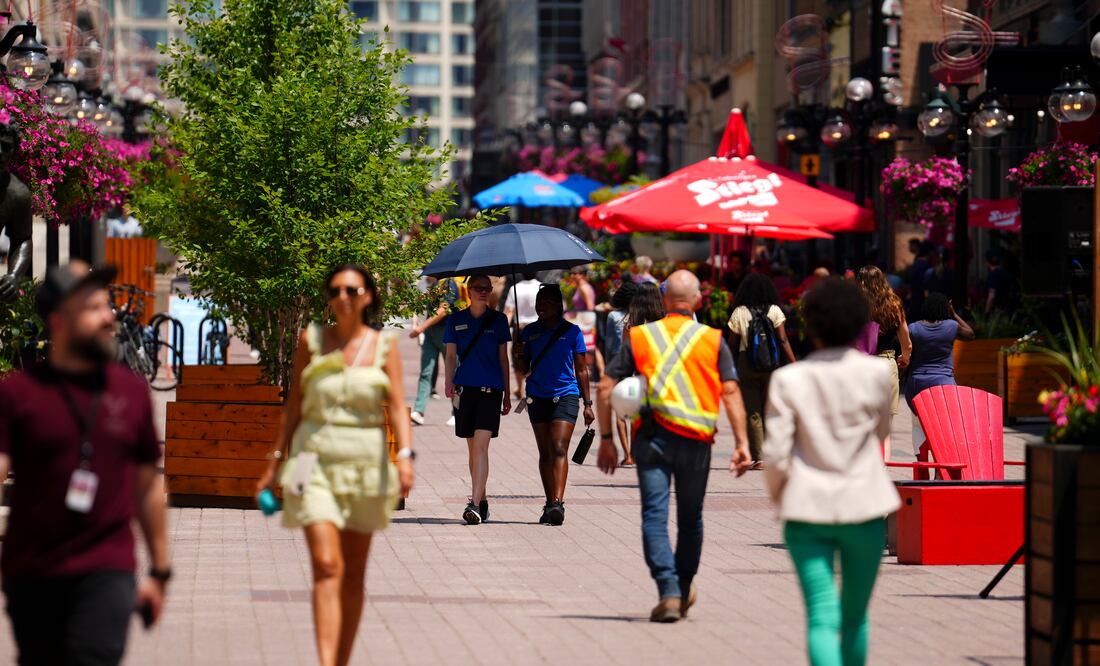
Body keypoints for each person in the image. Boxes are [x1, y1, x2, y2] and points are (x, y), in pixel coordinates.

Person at [0, 261, 170, 665]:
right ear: (59, 320)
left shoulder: (130, 392)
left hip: (107, 570)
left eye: (106, 306)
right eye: (93, 308)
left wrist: (160, 572)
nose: (109, 317)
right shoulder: (20, 394)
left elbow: (148, 488)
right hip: (32, 573)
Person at [256, 265, 415, 666]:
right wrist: (276, 460)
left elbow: (397, 405)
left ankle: (340, 660)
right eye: (334, 289)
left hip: (366, 465)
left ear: (368, 296)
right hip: (314, 464)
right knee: (327, 565)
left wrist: (407, 457)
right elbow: (293, 404)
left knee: (355, 572)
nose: (342, 296)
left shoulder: (384, 346)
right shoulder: (311, 341)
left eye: (351, 289)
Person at [597, 270, 751, 623]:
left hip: (651, 438)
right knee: (690, 517)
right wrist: (742, 444)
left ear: (666, 302)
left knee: (654, 514)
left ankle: (668, 589)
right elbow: (730, 391)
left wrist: (607, 440)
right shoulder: (712, 339)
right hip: (697, 442)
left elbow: (606, 387)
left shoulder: (641, 337)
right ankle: (682, 587)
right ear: (697, 301)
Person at [763, 277, 901, 666]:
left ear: (812, 326)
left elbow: (775, 454)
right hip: (865, 506)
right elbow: (881, 432)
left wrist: (779, 496)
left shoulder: (789, 379)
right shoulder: (876, 374)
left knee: (822, 615)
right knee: (855, 616)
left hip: (806, 508)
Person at [513, 284, 594, 525]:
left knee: (559, 447)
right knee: (545, 451)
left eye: (547, 301)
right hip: (537, 396)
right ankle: (549, 503)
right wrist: (518, 353)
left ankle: (558, 503)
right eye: (539, 301)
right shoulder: (528, 332)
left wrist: (588, 403)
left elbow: (582, 369)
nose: (541, 306)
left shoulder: (572, 331)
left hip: (566, 395)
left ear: (559, 304)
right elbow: (523, 370)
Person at [444, 274, 512, 525]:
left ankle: (472, 504)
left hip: (490, 391)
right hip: (465, 391)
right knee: (472, 450)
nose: (483, 292)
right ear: (468, 291)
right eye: (478, 288)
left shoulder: (499, 320)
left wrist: (507, 391)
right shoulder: (456, 320)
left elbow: (504, 359)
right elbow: (451, 356)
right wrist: (448, 381)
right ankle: (481, 500)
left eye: (487, 288)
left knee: (481, 447)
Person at [726, 273, 798, 468]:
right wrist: (794, 363)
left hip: (746, 364)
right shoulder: (774, 310)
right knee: (770, 409)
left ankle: (759, 457)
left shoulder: (739, 312)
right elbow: (782, 340)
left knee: (753, 411)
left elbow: (732, 343)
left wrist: (728, 368)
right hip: (771, 365)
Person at [856, 266, 912, 459]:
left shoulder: (856, 305)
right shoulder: (894, 304)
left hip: (861, 365)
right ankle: (883, 473)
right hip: (886, 364)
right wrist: (904, 358)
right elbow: (906, 341)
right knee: (885, 427)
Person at [905, 292, 975, 416]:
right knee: (943, 424)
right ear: (945, 309)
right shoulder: (951, 326)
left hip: (917, 384)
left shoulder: (913, 328)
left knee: (921, 424)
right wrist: (953, 315)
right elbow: (970, 334)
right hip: (943, 383)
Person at [409, 276, 459, 425]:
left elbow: (443, 310)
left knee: (452, 372)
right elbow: (418, 305)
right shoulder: (428, 285)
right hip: (430, 332)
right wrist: (416, 324)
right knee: (426, 372)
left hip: (446, 332)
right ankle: (419, 411)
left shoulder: (449, 284)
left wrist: (421, 328)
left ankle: (457, 411)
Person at [602, 282, 638, 465]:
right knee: (635, 410)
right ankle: (634, 450)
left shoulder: (613, 316)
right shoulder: (640, 316)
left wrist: (608, 369)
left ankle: (627, 455)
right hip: (636, 366)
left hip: (618, 365)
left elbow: (608, 345)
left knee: (620, 411)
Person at [504, 272, 542, 399]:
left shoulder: (515, 288)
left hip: (520, 328)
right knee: (537, 357)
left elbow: (509, 311)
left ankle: (520, 388)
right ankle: (536, 387)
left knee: (518, 357)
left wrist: (503, 330)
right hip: (538, 328)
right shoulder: (541, 287)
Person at [907, 240, 936, 320]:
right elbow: (925, 288)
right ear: (930, 252)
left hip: (914, 302)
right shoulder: (926, 267)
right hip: (922, 305)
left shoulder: (914, 265)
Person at [984, 250, 1017, 314]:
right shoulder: (1007, 274)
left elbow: (991, 296)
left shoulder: (992, 275)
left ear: (988, 262)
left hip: (997, 313)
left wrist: (987, 312)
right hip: (1008, 311)